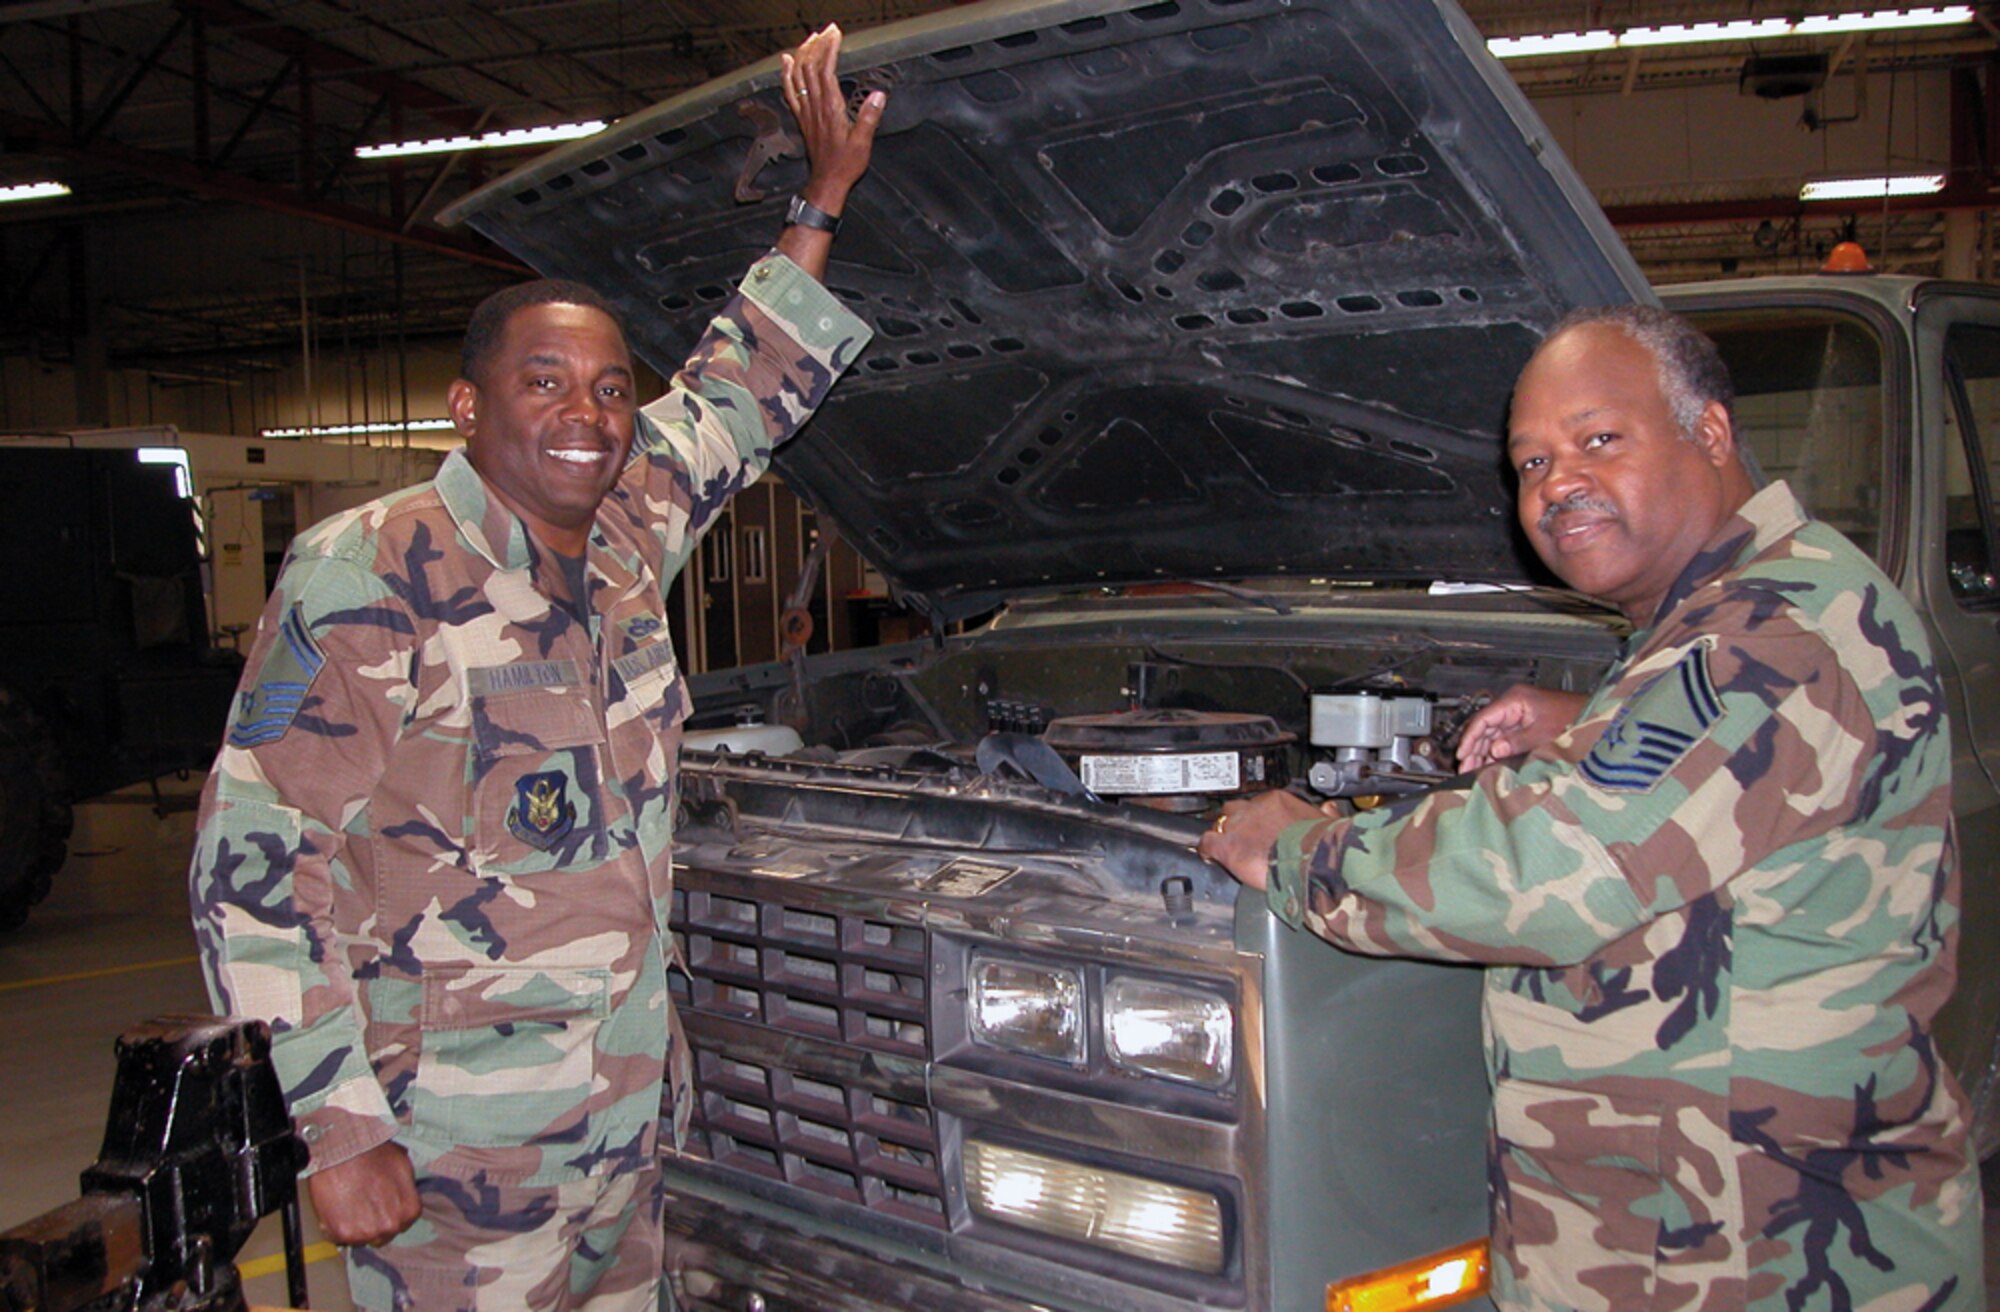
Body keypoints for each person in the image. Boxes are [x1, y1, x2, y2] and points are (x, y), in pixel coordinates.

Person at [186, 26, 882, 1310]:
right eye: (546, 383)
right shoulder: (373, 570)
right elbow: (257, 860)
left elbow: (740, 387)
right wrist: (337, 1128)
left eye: (611, 390)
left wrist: (822, 196)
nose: (585, 417)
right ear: (469, 404)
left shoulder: (621, 537)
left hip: (623, 1130)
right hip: (453, 1149)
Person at [1201, 305, 1983, 1311]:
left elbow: (1544, 872)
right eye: (1528, 464)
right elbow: (1714, 779)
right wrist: (1588, 719)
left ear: (1707, 432)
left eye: (1596, 440)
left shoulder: (1770, 634)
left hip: (1762, 1253)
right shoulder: (1734, 613)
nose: (1556, 483)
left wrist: (1300, 850)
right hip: (1675, 1226)